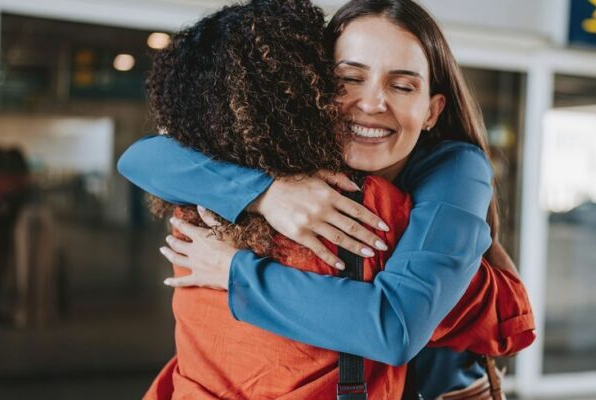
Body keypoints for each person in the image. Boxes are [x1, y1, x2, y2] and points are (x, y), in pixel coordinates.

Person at [119, 0, 534, 397]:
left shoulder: (457, 170)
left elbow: (396, 327)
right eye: (349, 79)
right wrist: (266, 194)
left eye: (403, 85)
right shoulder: (298, 170)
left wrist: (234, 272)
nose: (372, 102)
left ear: (432, 111)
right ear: (313, 87)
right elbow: (142, 156)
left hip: (440, 384)